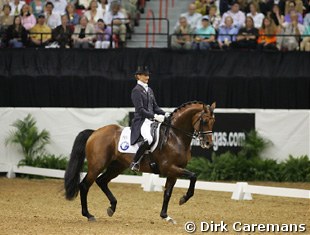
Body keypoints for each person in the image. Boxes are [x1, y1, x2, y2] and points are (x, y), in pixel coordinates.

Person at [130, 66, 168, 172]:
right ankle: (135, 162)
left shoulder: (149, 90)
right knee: (149, 139)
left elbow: (155, 107)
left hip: (151, 120)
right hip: (142, 121)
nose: (147, 77)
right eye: (145, 75)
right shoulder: (136, 91)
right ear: (138, 76)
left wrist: (166, 114)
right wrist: (155, 116)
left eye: (148, 75)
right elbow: (140, 110)